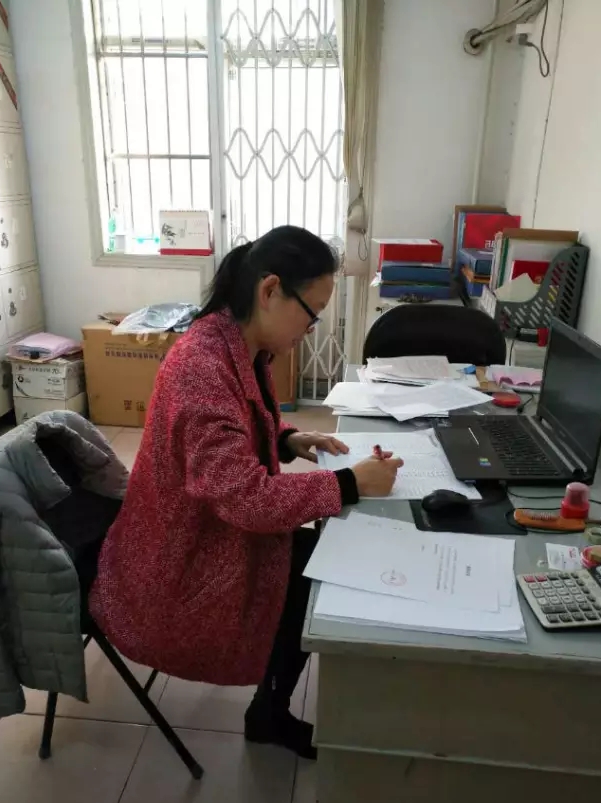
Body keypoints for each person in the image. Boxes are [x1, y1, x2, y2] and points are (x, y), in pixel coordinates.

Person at [89, 225, 403, 759]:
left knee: (317, 561)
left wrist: (286, 438)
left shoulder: (234, 344)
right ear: (270, 290)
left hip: (201, 528)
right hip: (178, 562)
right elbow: (246, 500)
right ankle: (269, 714)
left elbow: (231, 436)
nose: (312, 329)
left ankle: (270, 706)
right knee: (313, 576)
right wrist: (350, 483)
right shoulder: (202, 367)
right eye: (312, 313)